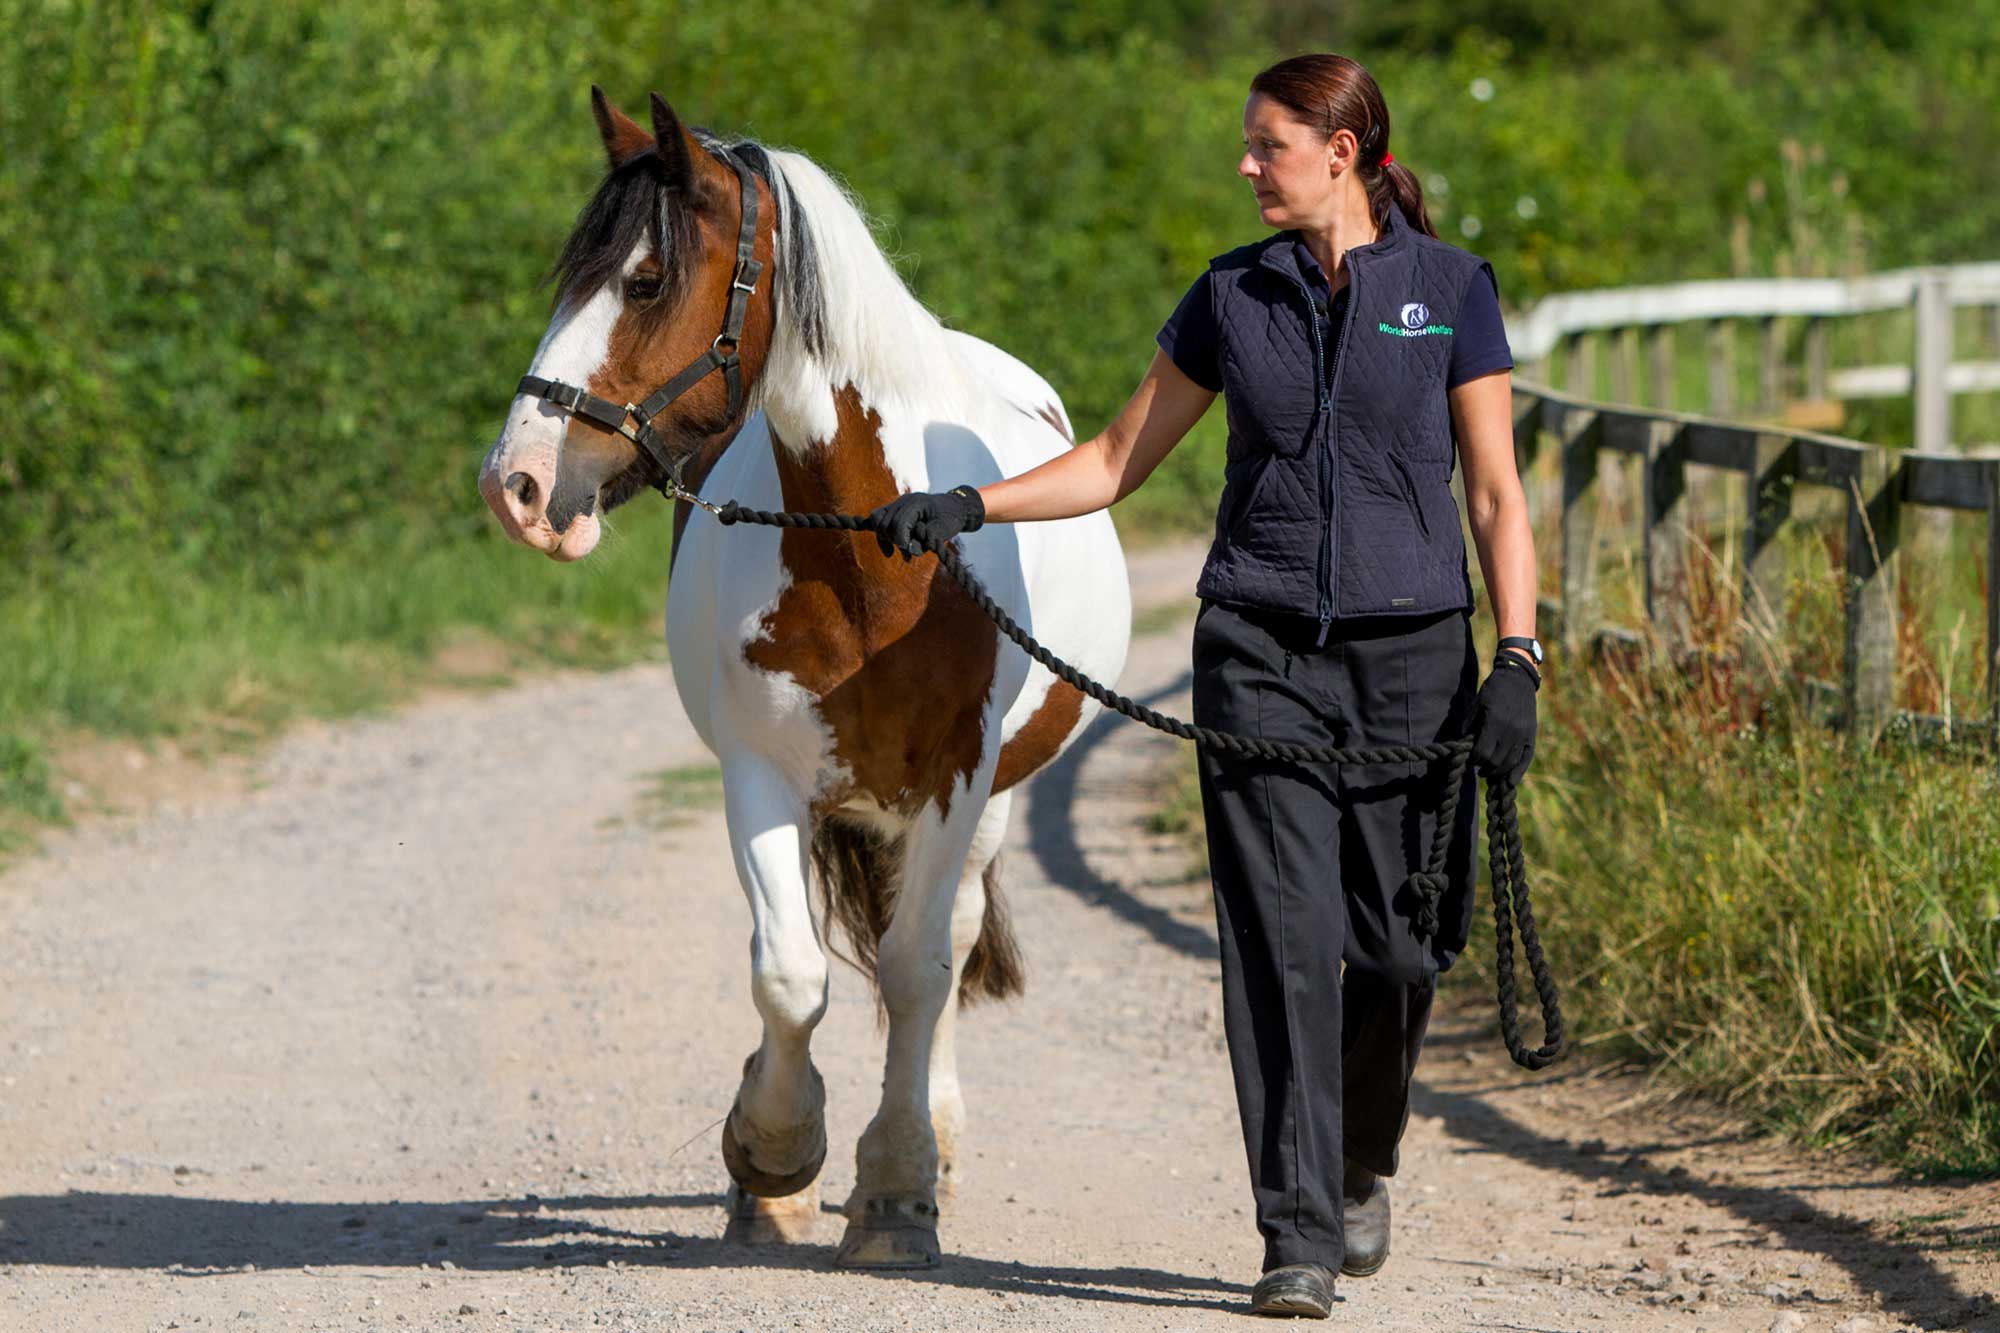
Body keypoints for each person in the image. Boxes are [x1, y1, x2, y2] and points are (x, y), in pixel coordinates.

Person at [869, 52, 1540, 1320]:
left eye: (1266, 145)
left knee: (1401, 947)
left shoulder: (1449, 292)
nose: (1244, 166)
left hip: (1414, 662)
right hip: (1260, 654)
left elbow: (1496, 492)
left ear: (1340, 153)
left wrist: (1518, 653)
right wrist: (969, 503)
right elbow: (1116, 459)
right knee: (1280, 947)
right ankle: (1294, 1231)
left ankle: (1355, 1163)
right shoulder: (1230, 296)